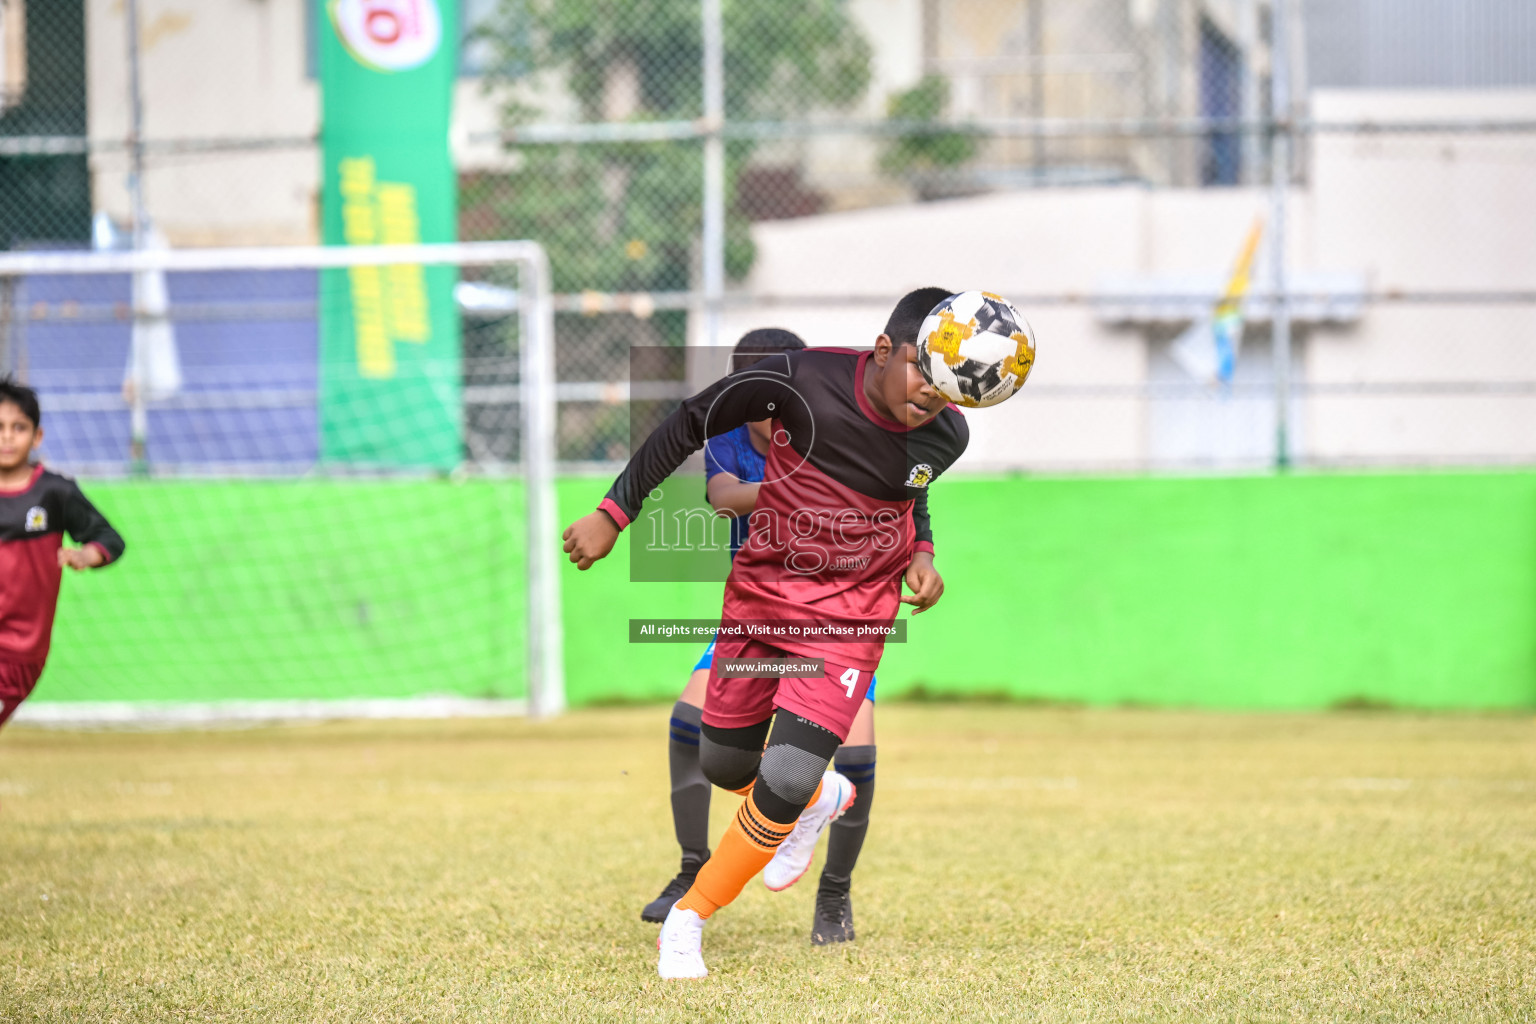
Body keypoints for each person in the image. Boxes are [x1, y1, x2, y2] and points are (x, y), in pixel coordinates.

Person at [563, 288, 967, 978]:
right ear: (881, 351)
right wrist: (613, 513)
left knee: (783, 770)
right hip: (762, 597)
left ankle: (691, 916)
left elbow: (910, 490)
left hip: (852, 613)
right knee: (725, 764)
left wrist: (921, 554)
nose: (930, 397)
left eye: (945, 388)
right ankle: (821, 797)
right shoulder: (797, 381)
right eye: (921, 375)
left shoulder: (945, 435)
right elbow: (687, 422)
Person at [642, 329, 883, 948]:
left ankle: (834, 897)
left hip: (837, 619)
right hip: (756, 617)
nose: (761, 409)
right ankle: (691, 867)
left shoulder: (836, 431)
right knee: (690, 728)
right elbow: (723, 499)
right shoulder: (728, 435)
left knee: (855, 754)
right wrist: (803, 496)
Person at [0, 377, 126, 731]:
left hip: (18, 650)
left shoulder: (55, 494)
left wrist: (88, 555)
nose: (7, 436)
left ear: (37, 437)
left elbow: (109, 538)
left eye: (18, 427)